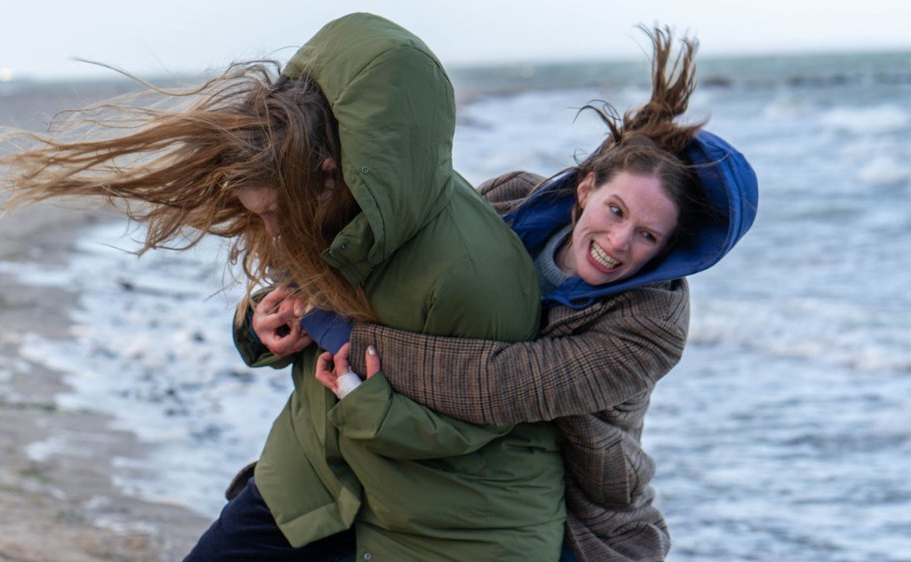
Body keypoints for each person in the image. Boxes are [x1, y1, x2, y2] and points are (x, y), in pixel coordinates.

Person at [0, 12, 567, 562]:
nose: (274, 232)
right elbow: (296, 307)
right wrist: (262, 326)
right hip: (317, 476)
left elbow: (488, 421)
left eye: (274, 212)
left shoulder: (473, 274)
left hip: (449, 522)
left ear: (328, 171)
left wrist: (365, 403)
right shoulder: (322, 212)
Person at [308, 27, 759, 562]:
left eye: (647, 235)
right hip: (454, 458)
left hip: (580, 517)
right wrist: (289, 297)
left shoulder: (650, 323)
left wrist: (340, 332)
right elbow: (403, 263)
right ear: (588, 186)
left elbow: (500, 383)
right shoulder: (513, 200)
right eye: (616, 211)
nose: (619, 242)